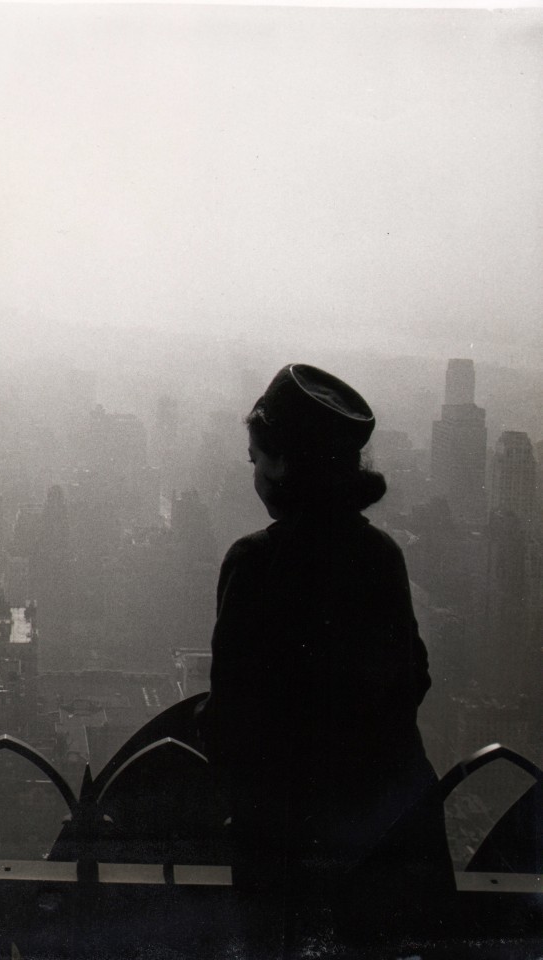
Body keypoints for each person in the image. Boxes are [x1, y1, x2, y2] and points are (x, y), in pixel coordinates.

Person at [196, 364, 452, 955]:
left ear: (284, 465)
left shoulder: (255, 563)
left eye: (257, 457)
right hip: (392, 843)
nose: (253, 471)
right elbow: (412, 678)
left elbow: (232, 718)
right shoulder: (382, 555)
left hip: (296, 857)